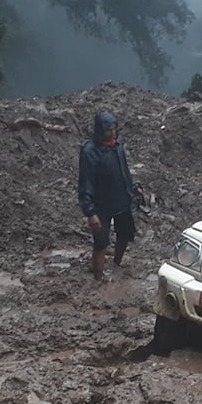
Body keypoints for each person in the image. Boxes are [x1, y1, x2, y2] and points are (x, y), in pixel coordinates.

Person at [77, 110, 140, 280]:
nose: (112, 133)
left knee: (125, 234)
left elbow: (124, 171)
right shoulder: (90, 151)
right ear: (99, 131)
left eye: (114, 129)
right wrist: (90, 212)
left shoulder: (117, 147)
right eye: (108, 130)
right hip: (101, 203)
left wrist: (132, 190)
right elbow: (85, 183)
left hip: (121, 198)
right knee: (101, 242)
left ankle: (117, 263)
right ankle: (98, 277)